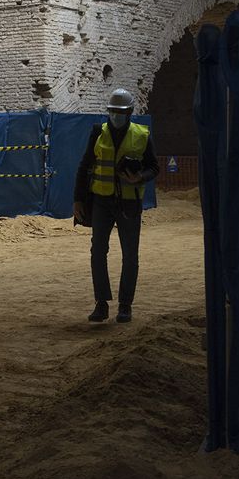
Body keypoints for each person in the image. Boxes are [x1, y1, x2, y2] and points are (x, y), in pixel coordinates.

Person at [73, 87, 159, 324]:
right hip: (101, 201)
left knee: (130, 254)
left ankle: (125, 306)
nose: (115, 115)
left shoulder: (142, 135)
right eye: (112, 111)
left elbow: (154, 167)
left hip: (130, 203)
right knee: (98, 251)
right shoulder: (97, 132)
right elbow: (84, 166)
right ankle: (101, 304)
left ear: (130, 112)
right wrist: (78, 200)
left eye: (120, 111)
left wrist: (138, 177)